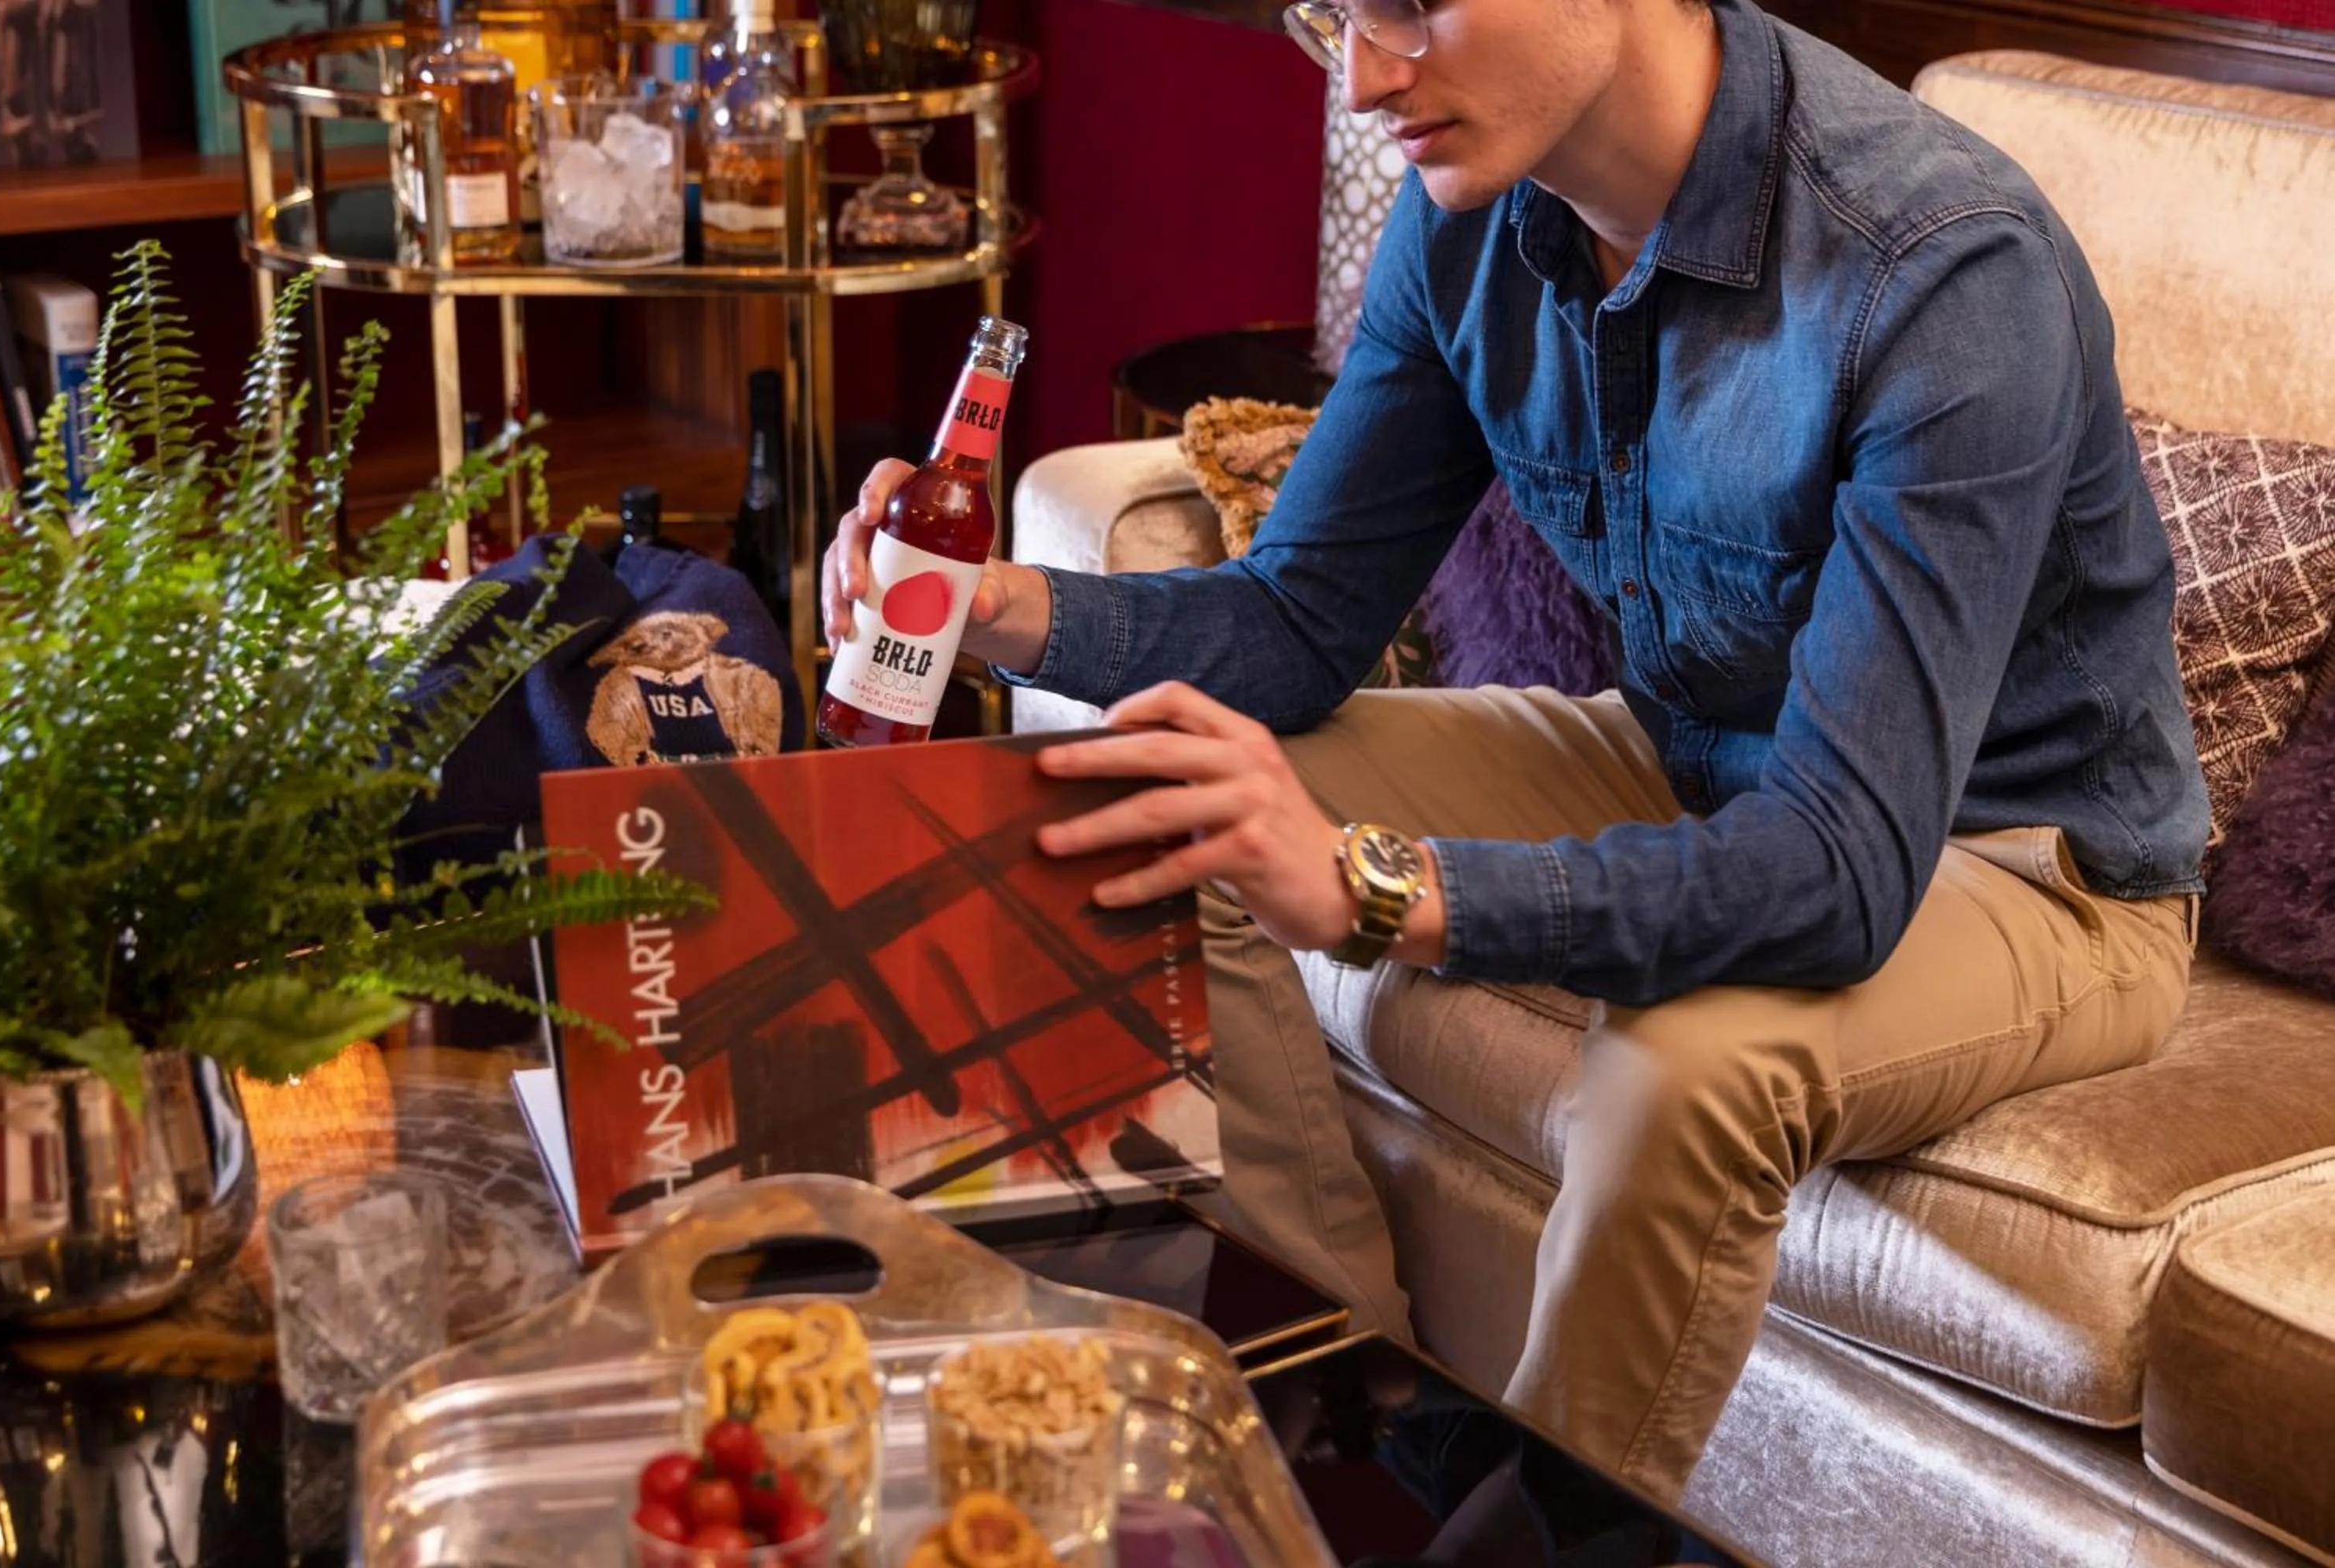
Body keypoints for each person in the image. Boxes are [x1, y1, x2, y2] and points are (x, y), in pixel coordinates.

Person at [823, 0, 2208, 1505]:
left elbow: (1837, 866)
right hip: (1691, 760)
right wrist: (1000, 610)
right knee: (1151, 797)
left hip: (2022, 865)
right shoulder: (1471, 216)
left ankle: (1531, 1539)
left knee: (1679, 1076)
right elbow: (1298, 622)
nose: (1359, 78)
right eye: (1333, 15)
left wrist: (1382, 889)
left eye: (1411, 5)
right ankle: (1350, 1433)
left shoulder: (1940, 269)